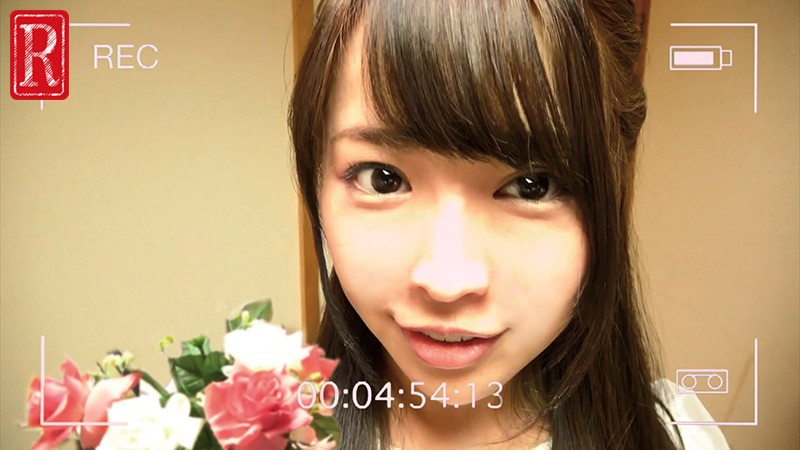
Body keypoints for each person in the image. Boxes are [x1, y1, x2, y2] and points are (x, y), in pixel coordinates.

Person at [289, 0, 731, 449]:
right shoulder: (266, 433)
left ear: (612, 185)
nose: (446, 282)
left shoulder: (680, 437)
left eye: (531, 186)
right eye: (383, 179)